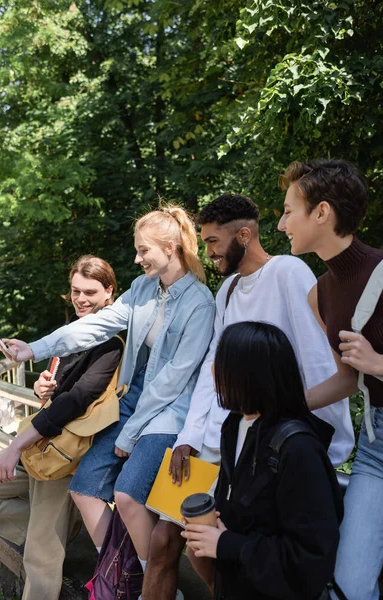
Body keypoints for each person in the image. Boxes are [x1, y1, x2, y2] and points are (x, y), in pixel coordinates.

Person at [141, 193, 354, 600]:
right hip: (227, 437)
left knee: (217, 549)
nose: (208, 253)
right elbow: (211, 368)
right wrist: (188, 434)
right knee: (170, 538)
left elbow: (318, 362)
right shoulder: (227, 291)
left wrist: (322, 448)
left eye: (213, 242)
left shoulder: (289, 273)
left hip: (276, 449)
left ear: (243, 235)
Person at [3, 205, 215, 585]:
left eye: (143, 250)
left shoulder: (201, 304)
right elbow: (94, 327)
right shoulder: (143, 289)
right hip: (133, 404)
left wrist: (132, 432)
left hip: (171, 413)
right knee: (84, 489)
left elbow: (173, 379)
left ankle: (154, 585)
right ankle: (123, 576)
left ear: (170, 247)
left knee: (129, 497)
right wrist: (34, 348)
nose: (136, 258)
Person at [0, 255, 123, 600]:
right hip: (40, 446)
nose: (80, 299)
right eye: (75, 291)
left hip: (59, 457)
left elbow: (77, 401)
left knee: (41, 558)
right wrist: (42, 388)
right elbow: (60, 395)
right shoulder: (72, 335)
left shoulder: (111, 344)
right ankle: (53, 529)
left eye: (90, 292)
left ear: (110, 292)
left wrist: (15, 445)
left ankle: (49, 535)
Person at [278, 158, 383, 600]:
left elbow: (368, 367)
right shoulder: (317, 294)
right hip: (375, 445)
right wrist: (281, 406)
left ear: (322, 213)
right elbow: (345, 379)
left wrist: (379, 365)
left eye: (288, 210)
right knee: (350, 587)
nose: (281, 223)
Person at [182, 321, 344, 600]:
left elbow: (309, 558)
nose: (212, 371)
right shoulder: (234, 424)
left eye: (221, 362)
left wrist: (228, 545)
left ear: (248, 375)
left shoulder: (299, 450)